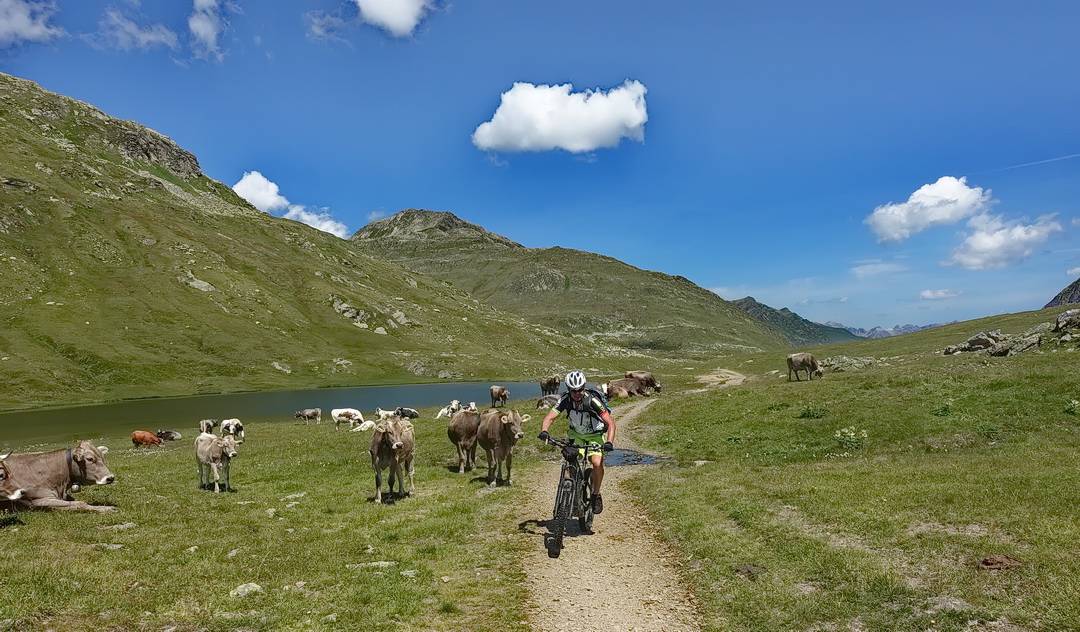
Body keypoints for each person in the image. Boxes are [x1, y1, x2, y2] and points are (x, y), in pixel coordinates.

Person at [537, 370, 616, 514]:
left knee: (597, 463)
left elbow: (610, 423)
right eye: (574, 391)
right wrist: (544, 431)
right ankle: (568, 492)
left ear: (584, 387)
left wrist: (609, 442)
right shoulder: (565, 400)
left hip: (595, 435)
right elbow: (550, 418)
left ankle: (595, 495)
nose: (577, 393)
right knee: (569, 463)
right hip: (576, 435)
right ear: (569, 389)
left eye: (580, 390)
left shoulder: (592, 401)